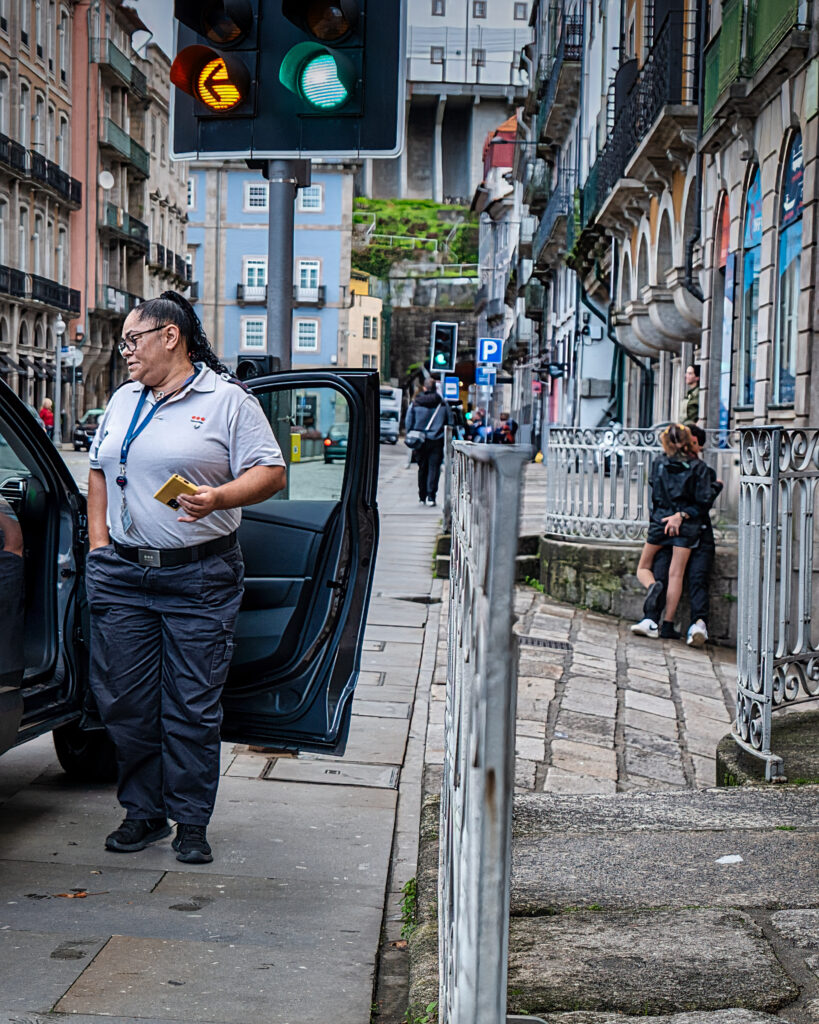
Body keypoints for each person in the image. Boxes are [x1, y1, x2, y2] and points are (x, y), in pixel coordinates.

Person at [86, 290, 286, 865]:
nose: (125, 351)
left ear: (169, 336)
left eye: (132, 339)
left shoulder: (228, 401)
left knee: (191, 705)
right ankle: (143, 814)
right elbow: (99, 471)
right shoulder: (124, 400)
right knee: (126, 700)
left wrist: (217, 497)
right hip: (123, 575)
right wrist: (100, 547)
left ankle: (191, 823)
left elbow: (271, 472)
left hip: (199, 576)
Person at [632, 425, 722, 646]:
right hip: (686, 527)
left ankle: (652, 589)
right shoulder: (699, 468)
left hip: (660, 523)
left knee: (644, 567)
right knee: (676, 575)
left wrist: (660, 517)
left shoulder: (658, 463)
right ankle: (668, 625)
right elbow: (702, 500)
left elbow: (654, 491)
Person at [405, 377, 450, 506]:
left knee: (422, 468)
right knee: (434, 468)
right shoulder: (442, 403)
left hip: (419, 440)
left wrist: (411, 434)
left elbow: (408, 421)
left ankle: (422, 496)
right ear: (435, 388)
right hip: (436, 440)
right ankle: (431, 496)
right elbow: (450, 421)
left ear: (424, 388)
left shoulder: (415, 402)